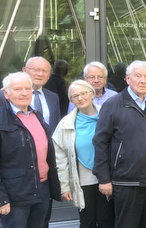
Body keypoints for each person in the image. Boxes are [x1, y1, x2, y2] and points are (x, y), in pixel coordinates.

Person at [92, 60, 146, 228]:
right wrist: (104, 179)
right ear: (127, 78)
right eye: (138, 76)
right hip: (125, 182)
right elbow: (100, 142)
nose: (143, 80)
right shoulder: (112, 104)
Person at [0, 72, 61, 227]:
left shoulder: (36, 116)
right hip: (15, 195)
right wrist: (0, 198)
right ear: (6, 93)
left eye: (28, 88)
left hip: (41, 190)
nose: (24, 93)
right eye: (18, 89)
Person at [53, 80, 114, 228]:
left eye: (83, 93)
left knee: (107, 220)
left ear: (92, 94)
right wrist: (65, 186)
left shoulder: (108, 116)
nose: (80, 98)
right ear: (71, 100)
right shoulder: (65, 124)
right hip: (83, 180)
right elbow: (60, 158)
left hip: (108, 177)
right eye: (75, 96)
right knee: (87, 221)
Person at [0, 57, 62, 134]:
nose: (40, 74)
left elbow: (56, 126)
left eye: (44, 71)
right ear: (24, 70)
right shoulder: (3, 96)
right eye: (36, 70)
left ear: (48, 76)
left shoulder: (53, 97)